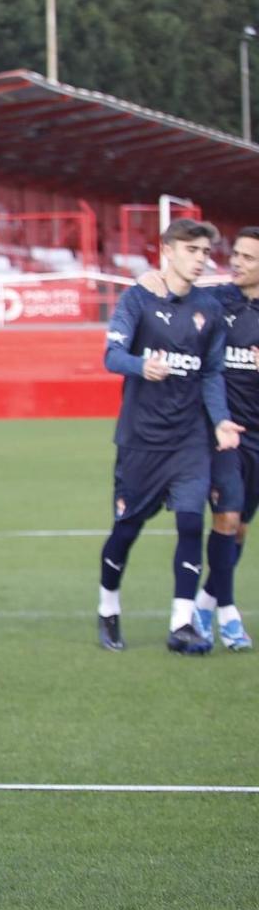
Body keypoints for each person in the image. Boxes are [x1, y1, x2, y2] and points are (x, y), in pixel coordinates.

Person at [97, 218, 241, 654]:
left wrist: (219, 421)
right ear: (168, 250)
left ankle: (182, 623)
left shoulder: (209, 309)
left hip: (189, 439)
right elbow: (111, 355)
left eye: (205, 253)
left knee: (191, 521)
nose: (201, 260)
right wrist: (142, 366)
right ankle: (107, 608)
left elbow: (213, 372)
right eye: (192, 251)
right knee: (127, 528)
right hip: (141, 439)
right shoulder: (137, 300)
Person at [196, 229, 259, 651]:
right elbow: (159, 291)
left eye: (248, 258)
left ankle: (203, 604)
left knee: (239, 529)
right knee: (227, 519)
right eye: (235, 254)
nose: (237, 262)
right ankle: (229, 615)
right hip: (222, 435)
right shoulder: (218, 301)